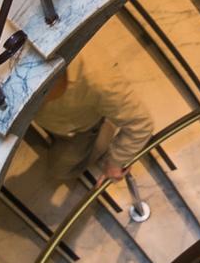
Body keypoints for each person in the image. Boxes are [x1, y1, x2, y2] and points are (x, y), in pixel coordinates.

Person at [38, 53, 155, 187]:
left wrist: (115, 163)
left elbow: (141, 123)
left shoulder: (100, 81)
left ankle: (104, 129)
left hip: (78, 128)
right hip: (56, 119)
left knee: (60, 170)